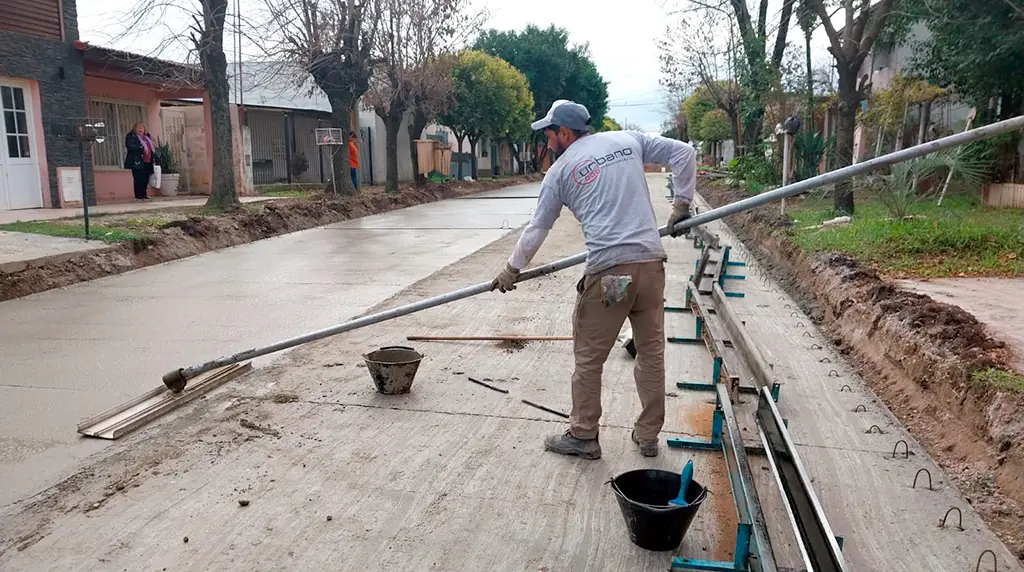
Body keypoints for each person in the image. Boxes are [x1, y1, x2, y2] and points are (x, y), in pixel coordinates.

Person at [491, 100, 696, 460]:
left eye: (550, 134)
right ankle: (648, 436)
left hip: (614, 277)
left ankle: (583, 434)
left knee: (589, 357)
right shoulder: (627, 140)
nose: (548, 141)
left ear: (566, 133)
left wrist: (512, 269)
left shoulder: (560, 172)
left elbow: (538, 228)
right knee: (651, 354)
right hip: (650, 268)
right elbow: (684, 153)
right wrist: (682, 204)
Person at [124, 122, 157, 201]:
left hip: (148, 160)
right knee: (138, 178)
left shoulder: (147, 137)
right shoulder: (131, 136)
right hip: (137, 161)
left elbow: (152, 147)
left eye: (142, 128)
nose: (140, 129)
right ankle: (138, 195)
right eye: (138, 128)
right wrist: (141, 148)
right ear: (135, 129)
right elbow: (130, 147)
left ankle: (144, 194)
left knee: (145, 178)